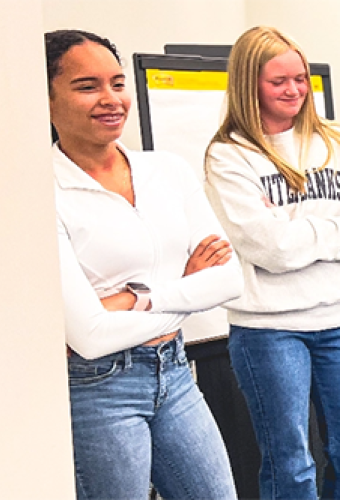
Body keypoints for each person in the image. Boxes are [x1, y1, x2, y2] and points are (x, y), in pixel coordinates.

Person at [47, 29, 242, 499]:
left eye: (117, 83)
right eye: (87, 86)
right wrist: (188, 288)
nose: (111, 99)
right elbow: (90, 337)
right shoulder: (41, 190)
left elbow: (230, 279)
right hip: (97, 390)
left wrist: (131, 300)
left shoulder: (167, 170)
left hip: (173, 370)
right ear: (46, 99)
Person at [203, 26, 340, 499]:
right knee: (291, 464)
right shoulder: (229, 156)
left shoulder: (339, 143)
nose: (294, 90)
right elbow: (273, 250)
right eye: (277, 81)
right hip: (268, 329)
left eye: (300, 78)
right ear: (248, 84)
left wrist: (306, 236)